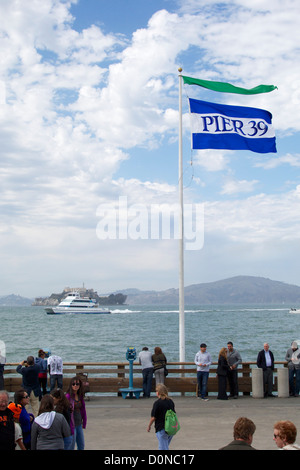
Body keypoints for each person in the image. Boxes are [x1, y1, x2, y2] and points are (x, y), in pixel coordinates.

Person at [147, 384, 176, 450]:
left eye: (156, 391)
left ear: (159, 392)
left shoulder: (157, 403)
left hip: (161, 428)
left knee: (163, 448)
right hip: (170, 428)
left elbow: (153, 417)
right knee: (165, 446)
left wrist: (149, 426)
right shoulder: (170, 401)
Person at [66, 377, 87, 450]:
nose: (75, 385)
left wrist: (84, 422)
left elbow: (83, 410)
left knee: (81, 445)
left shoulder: (80, 396)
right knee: (71, 446)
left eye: (77, 384)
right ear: (71, 385)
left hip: (79, 424)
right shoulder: (68, 397)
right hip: (72, 425)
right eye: (73, 384)